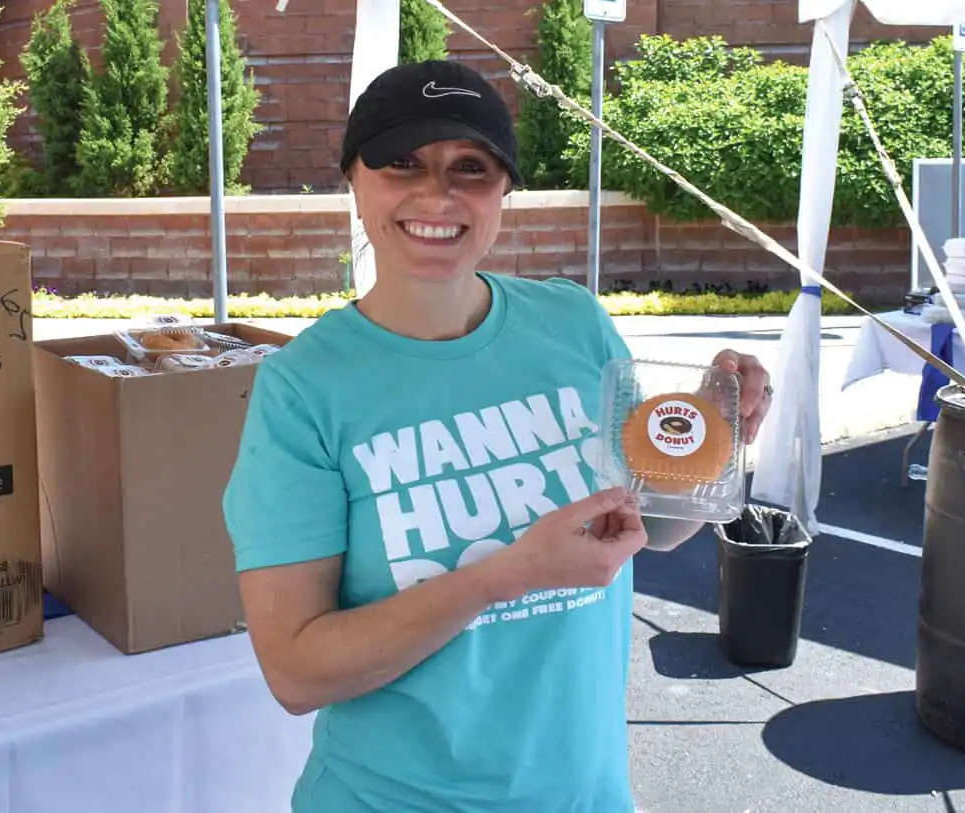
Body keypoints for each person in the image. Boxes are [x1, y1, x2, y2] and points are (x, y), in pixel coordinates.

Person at [222, 59, 773, 813]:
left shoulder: (572, 323)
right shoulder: (303, 389)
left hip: (586, 796)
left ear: (503, 189)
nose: (436, 194)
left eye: (470, 168)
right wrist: (508, 574)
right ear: (352, 179)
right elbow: (295, 672)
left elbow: (656, 526)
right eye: (401, 162)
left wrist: (710, 433)